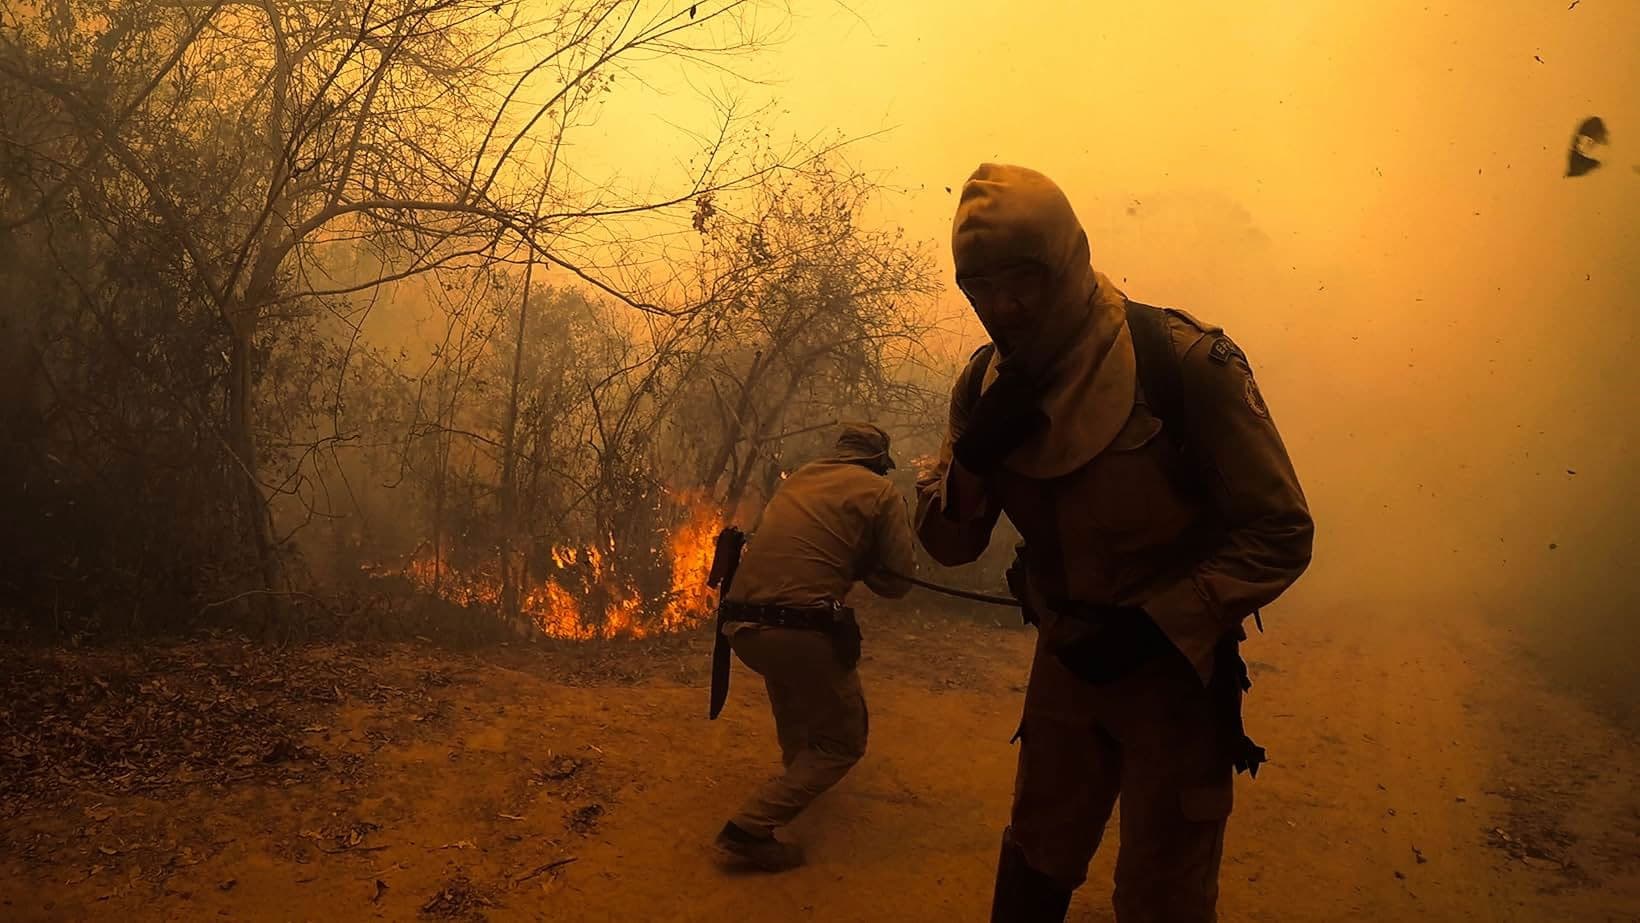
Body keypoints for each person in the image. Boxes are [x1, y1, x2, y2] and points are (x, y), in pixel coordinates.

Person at [916, 163, 1315, 922]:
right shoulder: (984, 383)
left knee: (1164, 894)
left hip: (1177, 677)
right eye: (979, 287)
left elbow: (1281, 530)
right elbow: (948, 546)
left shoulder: (1182, 363)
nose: (1000, 306)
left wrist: (1165, 622)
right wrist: (972, 462)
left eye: (1021, 279)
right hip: (1065, 662)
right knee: (1035, 859)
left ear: (1066, 261)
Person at [713, 422, 917, 872]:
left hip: (741, 627)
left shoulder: (800, 478)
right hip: (800, 631)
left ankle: (796, 782)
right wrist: (864, 562)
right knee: (843, 742)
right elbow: (898, 582)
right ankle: (749, 829)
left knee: (793, 700)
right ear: (878, 464)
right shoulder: (881, 495)